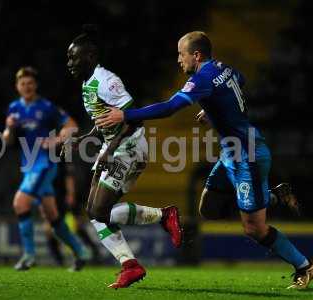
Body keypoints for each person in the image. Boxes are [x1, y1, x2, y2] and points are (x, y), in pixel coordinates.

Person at [95, 31, 312, 289]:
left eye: (181, 54)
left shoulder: (202, 79)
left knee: (254, 229)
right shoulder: (223, 68)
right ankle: (271, 196)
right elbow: (239, 82)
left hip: (248, 157)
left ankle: (304, 266)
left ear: (196, 55)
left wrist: (125, 115)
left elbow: (170, 107)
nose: (178, 60)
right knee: (208, 209)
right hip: (231, 154)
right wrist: (215, 106)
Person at [65, 25, 183, 289]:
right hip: (114, 147)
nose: (69, 63)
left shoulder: (107, 81)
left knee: (98, 210)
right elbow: (105, 118)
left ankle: (162, 217)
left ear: (91, 56)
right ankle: (131, 264)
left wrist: (108, 150)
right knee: (95, 214)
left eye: (74, 57)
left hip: (129, 146)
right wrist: (86, 137)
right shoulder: (87, 84)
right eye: (68, 57)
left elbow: (132, 119)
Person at [3, 66, 87, 271]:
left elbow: (72, 126)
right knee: (52, 216)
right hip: (29, 166)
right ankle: (80, 252)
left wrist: (57, 140)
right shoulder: (14, 108)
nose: (27, 87)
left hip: (45, 164)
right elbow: (8, 140)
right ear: (17, 86)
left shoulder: (47, 107)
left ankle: (29, 255)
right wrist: (9, 128)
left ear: (36, 85)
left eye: (30, 83)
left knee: (20, 203)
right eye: (23, 84)